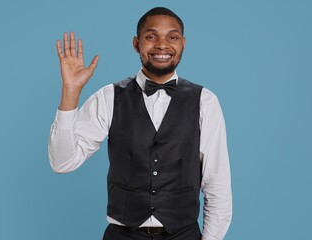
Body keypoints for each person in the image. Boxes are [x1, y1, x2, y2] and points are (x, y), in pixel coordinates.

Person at [48, 7, 232, 240]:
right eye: (151, 36)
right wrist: (70, 92)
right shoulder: (109, 97)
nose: (162, 45)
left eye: (172, 37)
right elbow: (63, 162)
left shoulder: (206, 101)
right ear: (137, 44)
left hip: (184, 235)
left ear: (183, 43)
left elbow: (217, 184)